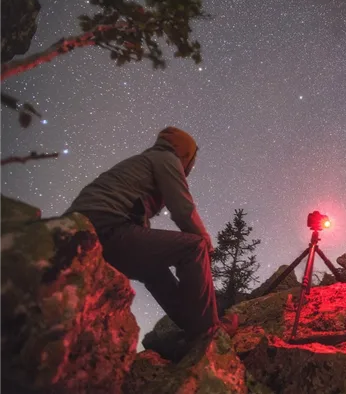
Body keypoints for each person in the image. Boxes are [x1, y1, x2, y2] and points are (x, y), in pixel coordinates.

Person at [64, 126, 237, 344]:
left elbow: (135, 218)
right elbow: (183, 210)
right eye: (192, 160)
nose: (191, 166)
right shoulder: (166, 158)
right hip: (106, 226)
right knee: (194, 246)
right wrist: (206, 240)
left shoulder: (143, 163)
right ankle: (208, 332)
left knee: (154, 272)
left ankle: (194, 329)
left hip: (84, 232)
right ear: (185, 154)